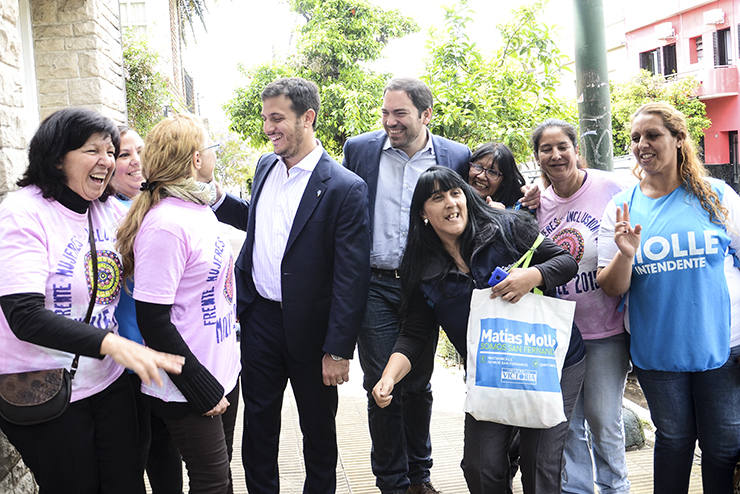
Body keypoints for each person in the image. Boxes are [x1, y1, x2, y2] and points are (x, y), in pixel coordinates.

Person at [0, 107, 184, 493]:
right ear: (56, 157)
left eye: (110, 151)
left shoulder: (103, 211)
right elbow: (24, 315)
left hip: (108, 383)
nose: (107, 161)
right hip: (47, 391)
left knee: (126, 483)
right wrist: (113, 344)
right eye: (92, 151)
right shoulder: (23, 214)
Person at [372, 166, 584, 494]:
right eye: (437, 198)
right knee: (480, 466)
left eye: (455, 193)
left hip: (551, 363)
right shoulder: (420, 268)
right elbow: (414, 333)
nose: (450, 203)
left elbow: (565, 261)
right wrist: (388, 378)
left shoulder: (508, 227)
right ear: (423, 213)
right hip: (491, 374)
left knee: (539, 463)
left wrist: (533, 276)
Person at [213, 77, 370, 494]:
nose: (269, 128)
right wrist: (216, 200)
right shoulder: (266, 165)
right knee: (259, 426)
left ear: (308, 118)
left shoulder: (345, 188)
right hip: (260, 318)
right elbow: (261, 220)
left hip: (314, 332)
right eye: (266, 119)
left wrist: (338, 350)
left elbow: (352, 278)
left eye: (277, 118)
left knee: (317, 431)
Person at [597, 101, 740, 494]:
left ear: (679, 140)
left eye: (653, 135)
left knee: (724, 445)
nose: (643, 144)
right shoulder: (622, 207)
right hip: (659, 350)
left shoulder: (718, 196)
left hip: (723, 345)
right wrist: (626, 255)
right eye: (635, 138)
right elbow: (610, 286)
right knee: (675, 440)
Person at [342, 77, 471, 494]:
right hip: (375, 284)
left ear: (425, 114)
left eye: (399, 113)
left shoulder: (455, 154)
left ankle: (421, 475)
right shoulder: (360, 150)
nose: (389, 122)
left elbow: (481, 202)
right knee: (383, 382)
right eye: (384, 112)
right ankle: (392, 481)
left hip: (426, 284)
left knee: (417, 382)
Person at [116, 114, 241, 494]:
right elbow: (152, 319)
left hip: (222, 372)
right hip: (186, 385)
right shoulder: (165, 225)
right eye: (211, 149)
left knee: (221, 476)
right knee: (212, 483)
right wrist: (198, 385)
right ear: (195, 160)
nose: (213, 157)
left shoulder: (198, 209)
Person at [532, 119, 631, 494]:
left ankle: (614, 488)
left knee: (604, 420)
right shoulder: (537, 204)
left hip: (605, 328)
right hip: (559, 334)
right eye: (546, 149)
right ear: (538, 157)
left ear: (577, 151)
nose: (556, 155)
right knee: (566, 425)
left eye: (562, 147)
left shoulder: (612, 187)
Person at [110, 126, 184, 494]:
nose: (136, 160)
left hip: (161, 352)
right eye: (124, 154)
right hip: (124, 357)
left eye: (140, 150)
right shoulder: (107, 212)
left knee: (164, 452)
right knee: (135, 454)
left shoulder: (161, 205)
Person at [468, 142, 526, 209]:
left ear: (504, 180)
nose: (481, 176)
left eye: (492, 172)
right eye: (478, 167)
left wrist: (503, 217)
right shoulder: (457, 200)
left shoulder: (520, 208)